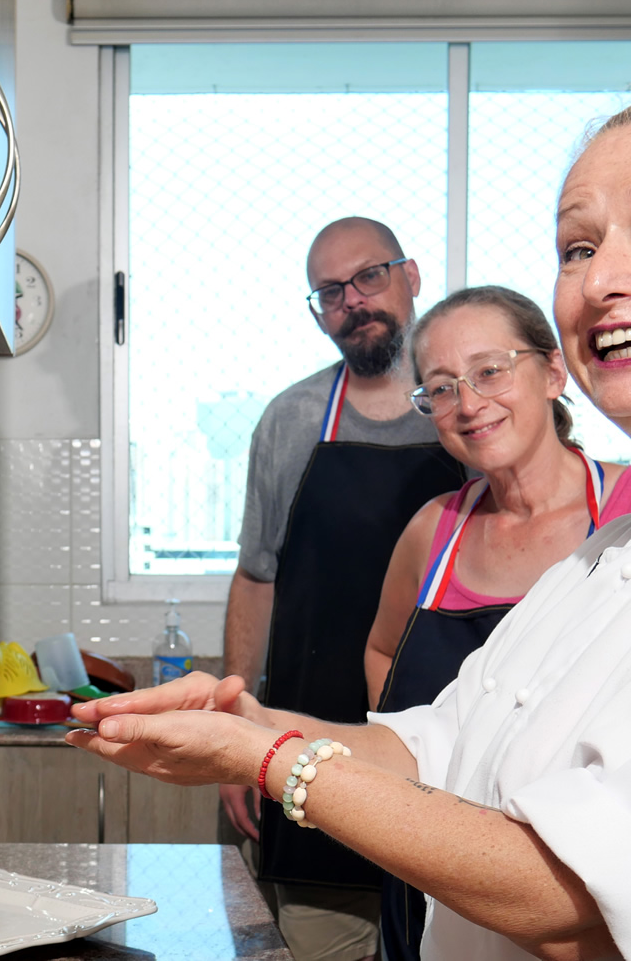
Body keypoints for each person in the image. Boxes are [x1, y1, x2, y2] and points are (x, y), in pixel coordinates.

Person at [70, 7, 631, 960]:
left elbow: (577, 895)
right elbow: (438, 748)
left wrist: (267, 758)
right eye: (579, 247)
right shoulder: (617, 552)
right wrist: (256, 717)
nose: (603, 279)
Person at [362, 286, 631, 959]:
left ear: (553, 374)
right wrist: (413, 776)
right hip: (429, 867)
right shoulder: (432, 534)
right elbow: (382, 650)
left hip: (577, 890)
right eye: (440, 388)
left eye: (490, 371)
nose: (467, 404)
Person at [221, 216, 465, 961]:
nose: (353, 301)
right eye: (330, 291)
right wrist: (237, 731)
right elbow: (256, 580)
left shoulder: (469, 416)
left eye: (369, 276)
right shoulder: (291, 421)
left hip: (446, 770)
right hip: (310, 758)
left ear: (411, 276)